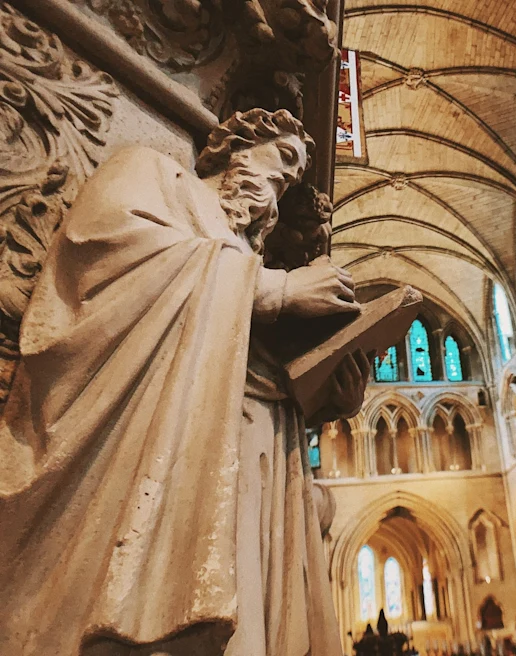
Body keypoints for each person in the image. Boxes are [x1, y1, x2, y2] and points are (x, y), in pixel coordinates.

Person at [0, 108, 369, 655]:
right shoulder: (155, 173)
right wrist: (276, 292)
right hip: (162, 451)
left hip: (253, 459)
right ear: (233, 146)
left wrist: (322, 397)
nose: (282, 184)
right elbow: (106, 245)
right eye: (283, 159)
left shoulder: (247, 256)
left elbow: (253, 367)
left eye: (292, 178)